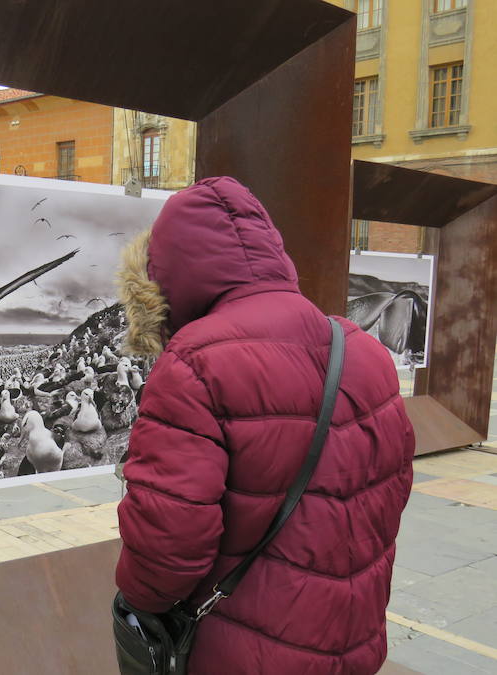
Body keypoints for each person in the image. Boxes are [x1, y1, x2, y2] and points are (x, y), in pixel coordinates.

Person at [115, 177, 415, 674]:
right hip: (352, 633)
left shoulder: (194, 363)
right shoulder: (360, 348)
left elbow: (169, 541)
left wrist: (137, 599)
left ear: (167, 275)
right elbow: (392, 489)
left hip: (248, 647)